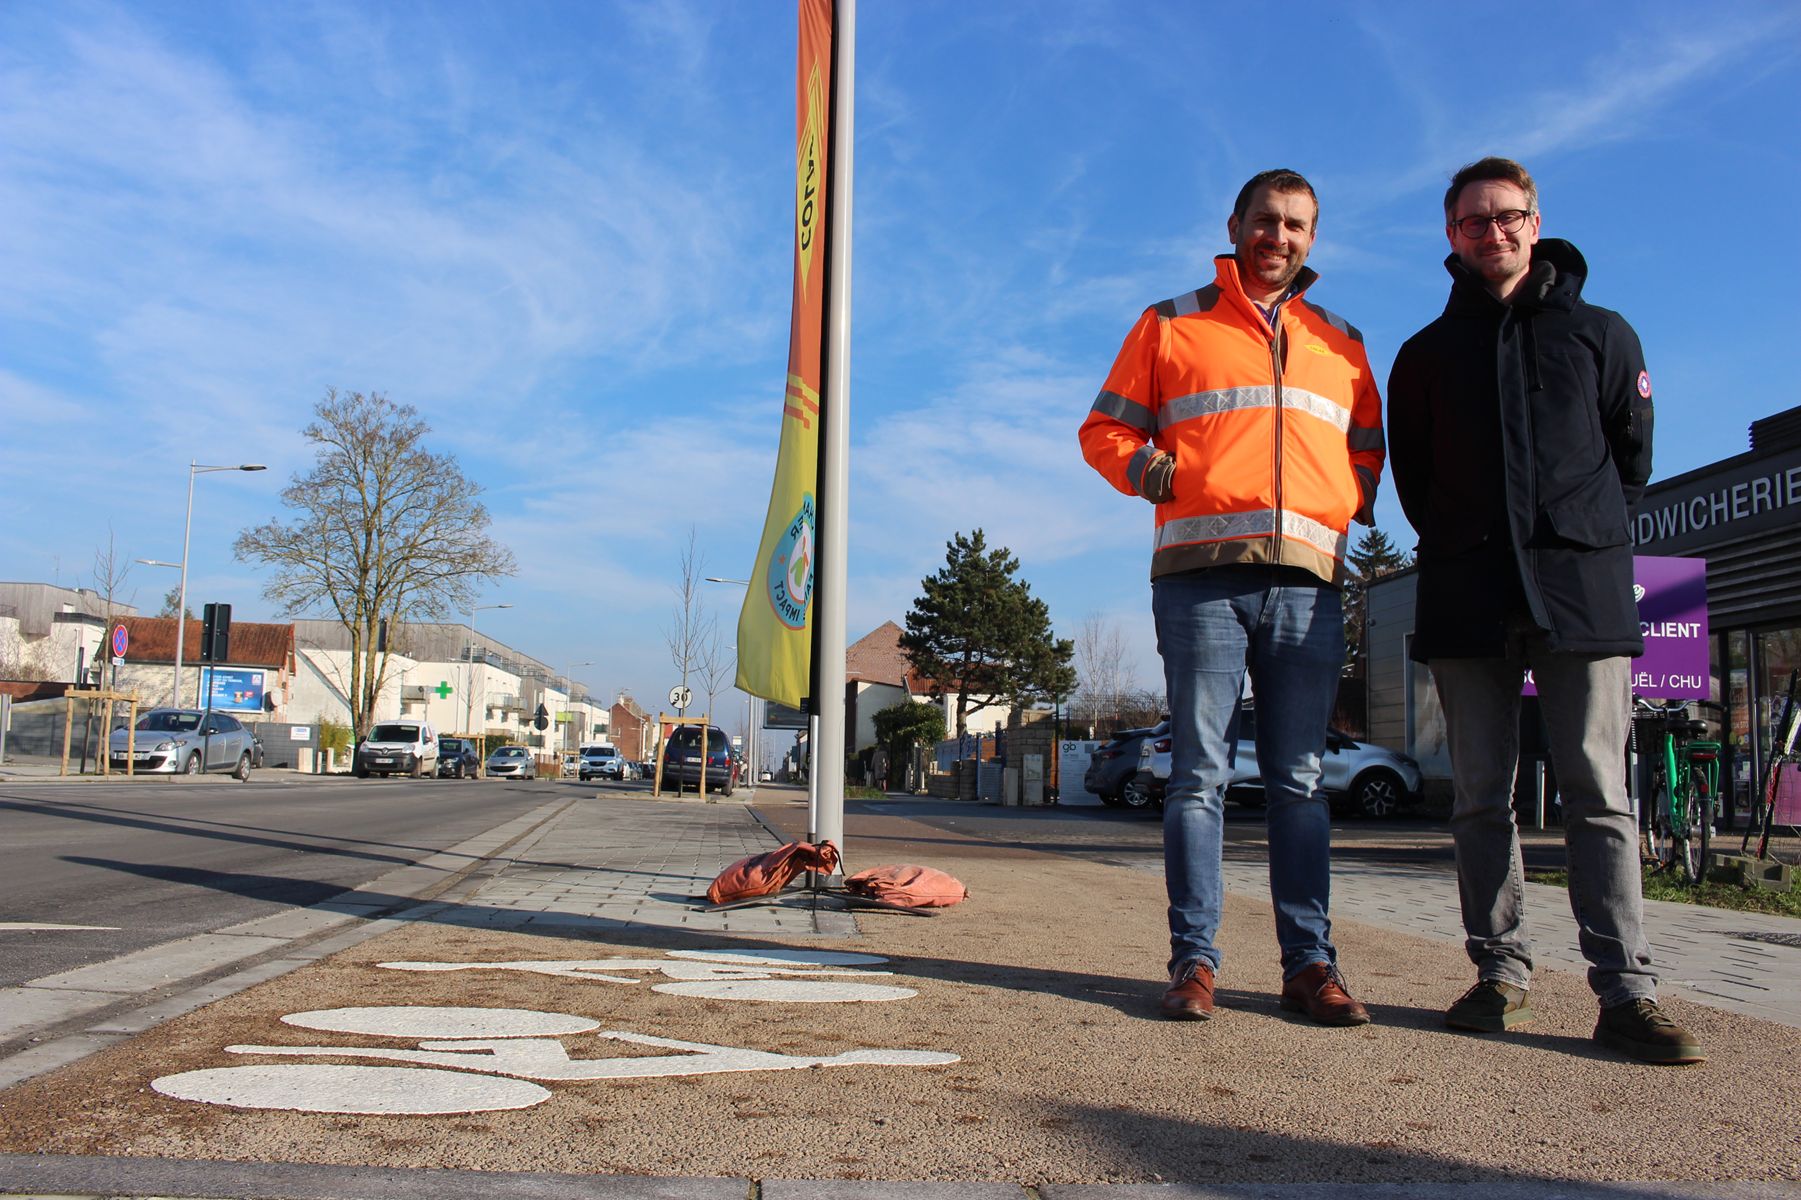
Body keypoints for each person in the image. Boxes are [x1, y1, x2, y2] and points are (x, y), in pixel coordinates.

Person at [1386, 156, 1702, 1064]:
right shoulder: (1424, 356)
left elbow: (1629, 459)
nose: (1493, 232)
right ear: (1450, 235)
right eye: (1473, 221)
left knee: (1599, 796)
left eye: (1508, 216)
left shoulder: (1602, 334)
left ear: (1536, 221)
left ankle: (1626, 992)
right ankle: (1499, 972)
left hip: (1580, 592)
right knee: (1482, 797)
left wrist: (1571, 536)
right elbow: (1417, 482)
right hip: (1468, 592)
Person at [1079, 168, 1385, 1026]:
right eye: (1264, 221)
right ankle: (1194, 964)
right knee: (1198, 777)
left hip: (1307, 585)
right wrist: (1144, 469)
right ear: (1234, 224)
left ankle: (1308, 965)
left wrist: (1346, 501)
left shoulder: (1342, 341)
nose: (1276, 237)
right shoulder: (1171, 322)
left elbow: (1366, 447)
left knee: (1298, 778)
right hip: (1199, 579)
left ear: (1311, 238)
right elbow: (1103, 427)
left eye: (1294, 225)